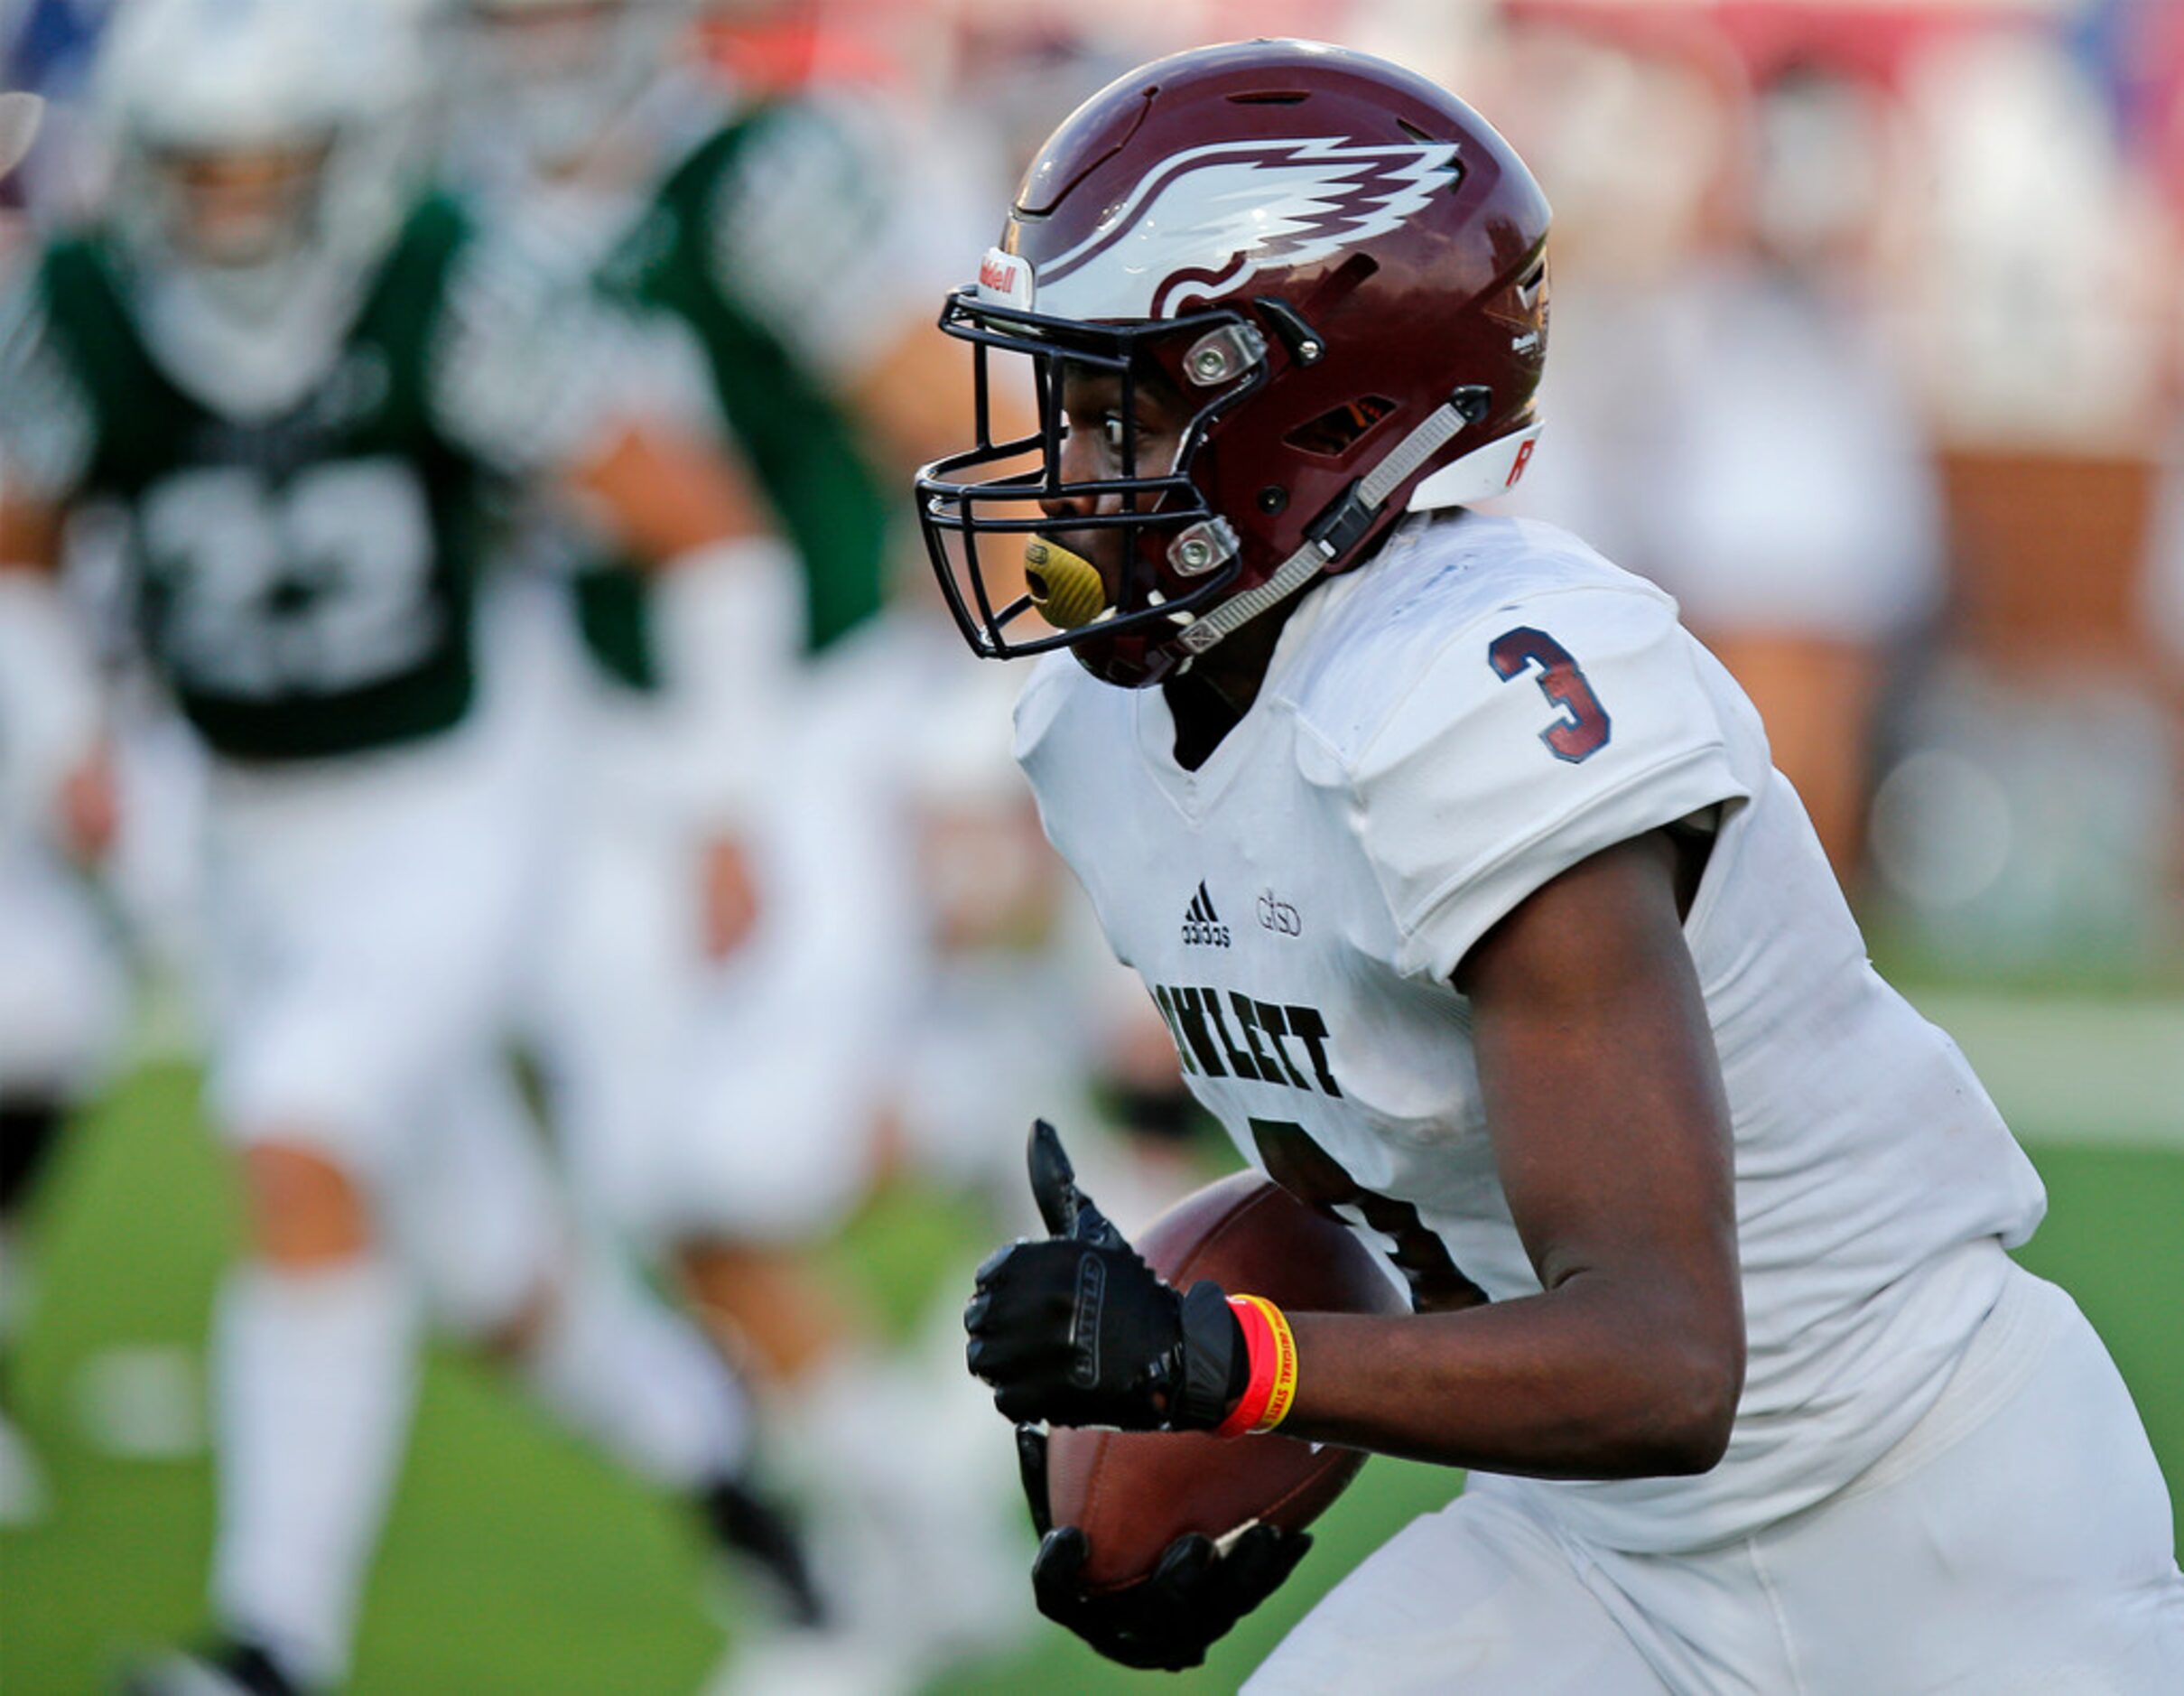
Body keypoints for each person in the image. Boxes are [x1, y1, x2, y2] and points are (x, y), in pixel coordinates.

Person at [929, 39, 2184, 1689]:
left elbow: (1661, 1361)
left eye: (1122, 398)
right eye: (1063, 395)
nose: (1067, 462)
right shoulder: (1099, 737)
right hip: (1585, 1546)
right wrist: (1186, 1415)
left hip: (1930, 1527)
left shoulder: (1477, 695)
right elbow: (1419, 1197)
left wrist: (1218, 1359)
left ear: (1316, 403)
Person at [0, 2, 820, 1691]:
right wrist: (75, 735)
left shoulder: (447, 276)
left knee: (296, 1133)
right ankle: (721, 1459)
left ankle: (270, 1646)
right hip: (229, 825)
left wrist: (721, 804)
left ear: (354, 154)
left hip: (453, 799)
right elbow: (16, 547)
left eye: (265, 167)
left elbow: (707, 530)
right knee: (483, 1269)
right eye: (192, 168)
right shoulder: (82, 305)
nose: (226, 207)